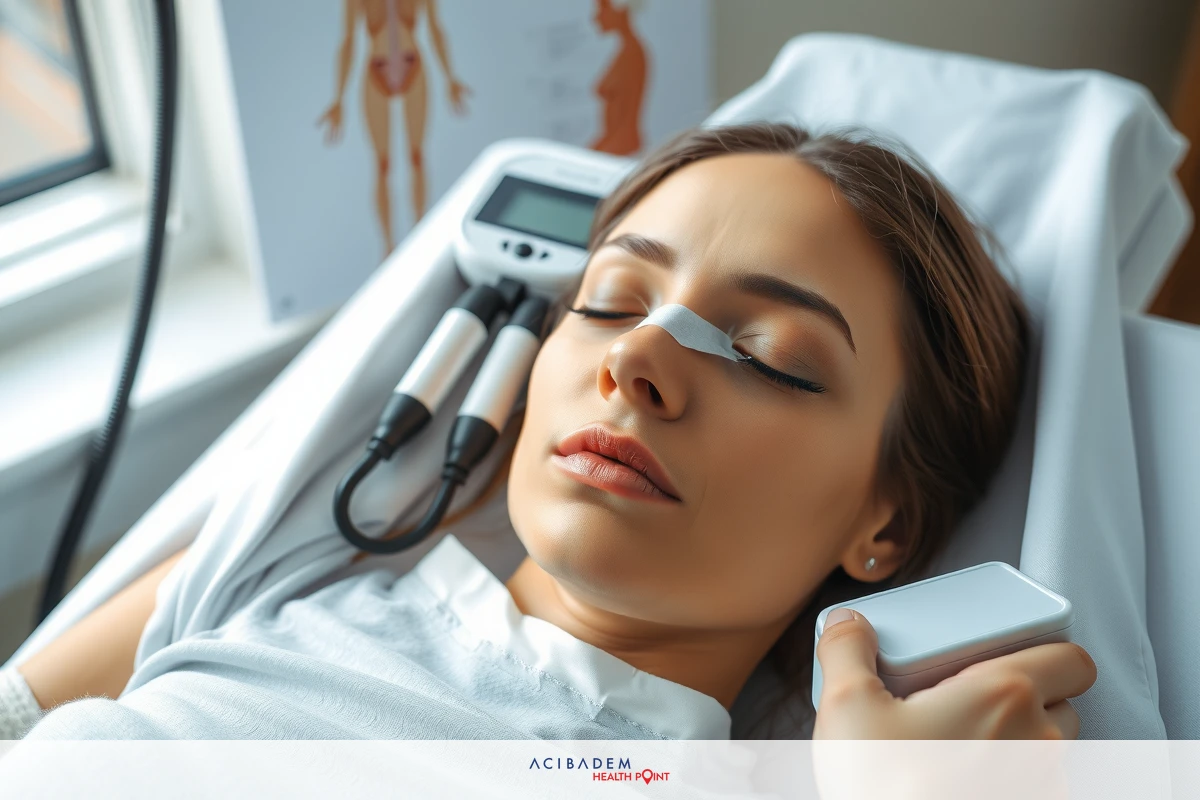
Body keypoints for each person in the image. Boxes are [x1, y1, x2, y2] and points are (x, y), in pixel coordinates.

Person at [5, 123, 1096, 742]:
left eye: (767, 355)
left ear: (886, 521)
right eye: (612, 298)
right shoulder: (281, 562)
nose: (639, 359)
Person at [317, 0, 471, 255]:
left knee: (417, 157)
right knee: (382, 165)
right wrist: (338, 97)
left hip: (415, 68)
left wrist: (449, 77)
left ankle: (421, 235)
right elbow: (348, 40)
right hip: (375, 71)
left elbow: (435, 28)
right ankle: (388, 248)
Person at [589, 0, 649, 156]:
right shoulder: (624, 50)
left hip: (622, 145)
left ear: (620, 11)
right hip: (613, 142)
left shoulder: (633, 54)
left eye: (602, 9)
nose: (596, 17)